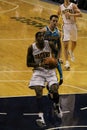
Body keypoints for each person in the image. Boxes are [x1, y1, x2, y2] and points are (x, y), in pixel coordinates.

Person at [27, 32, 62, 128]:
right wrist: (39, 65)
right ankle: (40, 116)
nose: (41, 38)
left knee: (54, 89)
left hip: (50, 71)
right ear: (36, 38)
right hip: (38, 71)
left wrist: (55, 59)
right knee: (38, 90)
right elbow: (28, 63)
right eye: (39, 37)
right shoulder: (31, 48)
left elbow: (57, 50)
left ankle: (57, 105)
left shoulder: (49, 44)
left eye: (42, 36)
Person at [57, 0, 82, 70]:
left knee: (74, 42)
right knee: (65, 45)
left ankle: (71, 51)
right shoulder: (60, 7)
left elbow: (81, 14)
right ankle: (67, 63)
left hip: (73, 25)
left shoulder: (73, 5)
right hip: (65, 26)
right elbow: (57, 15)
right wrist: (57, 25)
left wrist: (71, 14)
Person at [40, 14, 63, 85]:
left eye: (56, 21)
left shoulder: (58, 33)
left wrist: (59, 56)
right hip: (44, 53)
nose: (55, 22)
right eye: (53, 21)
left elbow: (59, 46)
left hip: (53, 53)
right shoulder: (44, 30)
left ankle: (60, 78)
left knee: (56, 64)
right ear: (50, 21)